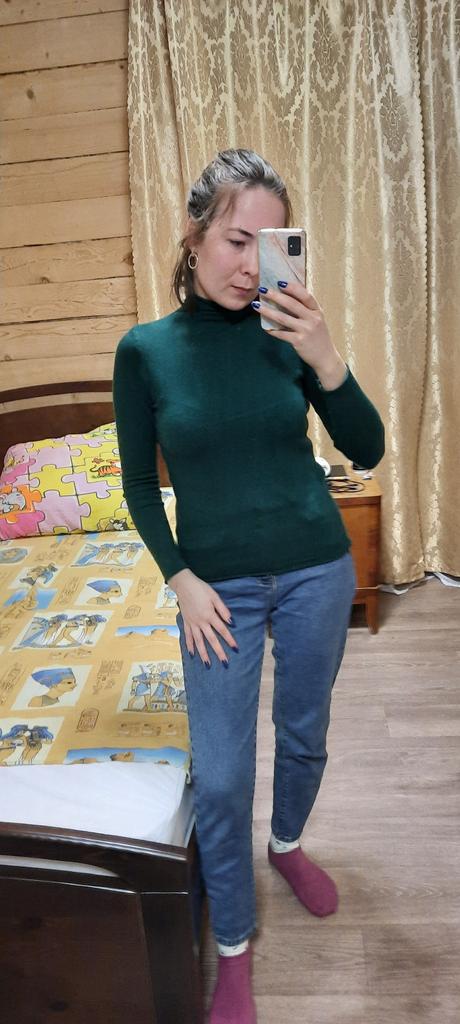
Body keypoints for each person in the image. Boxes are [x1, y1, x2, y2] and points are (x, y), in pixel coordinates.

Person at [113, 148, 385, 1024]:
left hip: (315, 567)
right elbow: (136, 486)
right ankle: (233, 945)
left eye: (271, 244)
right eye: (237, 240)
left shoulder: (288, 334)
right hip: (217, 592)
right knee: (223, 777)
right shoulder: (146, 351)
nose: (249, 263)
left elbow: (367, 448)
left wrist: (325, 353)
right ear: (194, 236)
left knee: (304, 733)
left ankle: (289, 844)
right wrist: (181, 579)